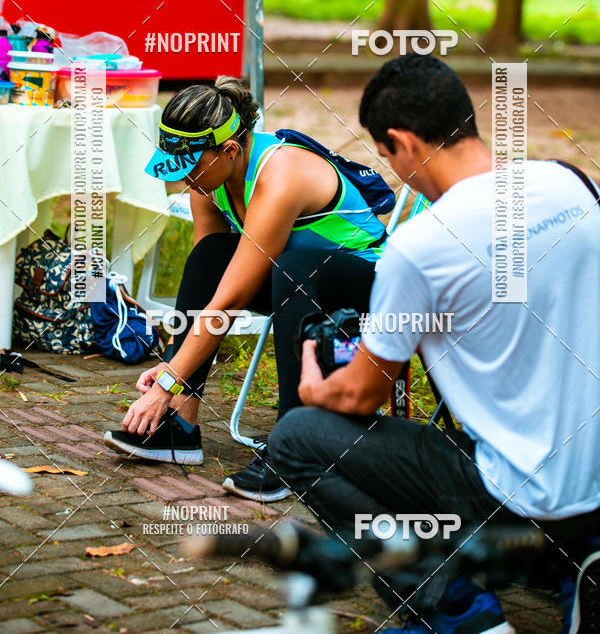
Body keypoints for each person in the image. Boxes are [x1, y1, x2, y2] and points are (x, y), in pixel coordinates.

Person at [269, 55, 600, 633]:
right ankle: (572, 564)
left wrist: (317, 385)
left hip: (516, 499)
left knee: (297, 438)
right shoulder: (573, 184)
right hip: (592, 489)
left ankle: (457, 607)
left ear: (402, 142)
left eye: (388, 156)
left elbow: (361, 399)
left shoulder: (419, 247)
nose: (399, 173)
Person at [104, 76, 387, 502]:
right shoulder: (210, 177)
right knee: (211, 254)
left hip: (366, 286)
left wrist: (167, 378)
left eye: (190, 168)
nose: (185, 181)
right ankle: (180, 425)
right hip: (293, 280)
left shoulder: (280, 175)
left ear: (230, 150)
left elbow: (231, 300)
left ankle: (296, 449)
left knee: (295, 268)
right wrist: (174, 372)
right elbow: (213, 276)